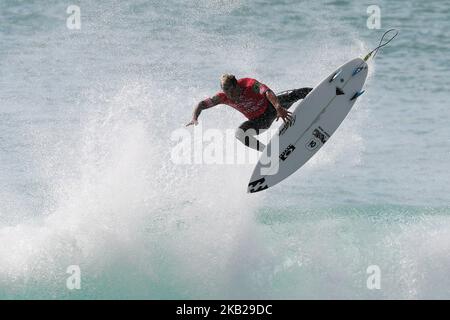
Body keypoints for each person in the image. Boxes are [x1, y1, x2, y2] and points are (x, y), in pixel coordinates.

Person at [186, 74, 312, 151]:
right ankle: (267, 152)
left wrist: (278, 107)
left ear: (236, 85)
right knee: (239, 134)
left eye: (229, 90)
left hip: (271, 107)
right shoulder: (222, 97)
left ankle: (327, 90)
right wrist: (194, 118)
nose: (228, 94)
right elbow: (202, 104)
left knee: (295, 94)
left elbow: (266, 91)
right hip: (259, 122)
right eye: (224, 91)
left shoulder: (249, 84)